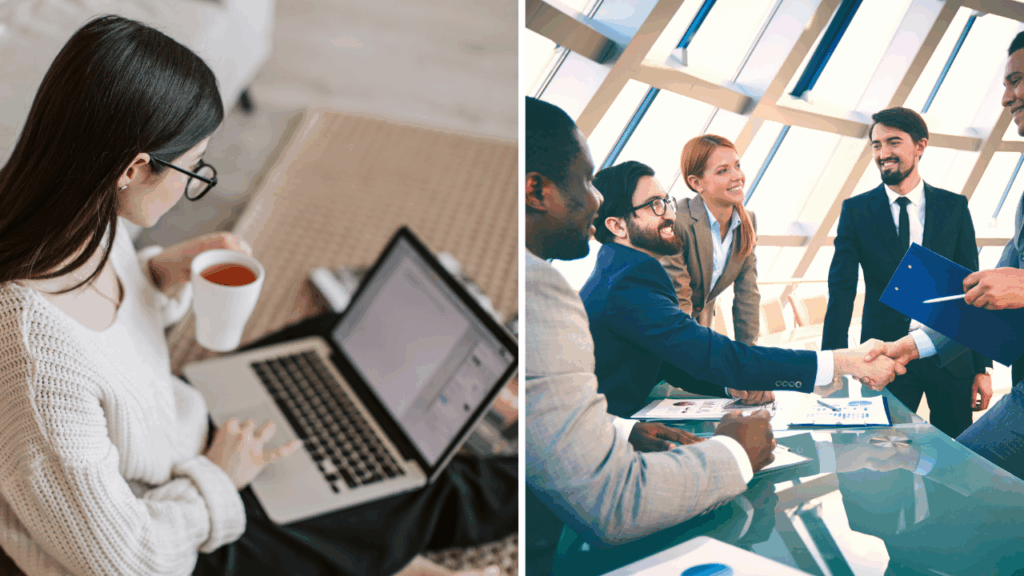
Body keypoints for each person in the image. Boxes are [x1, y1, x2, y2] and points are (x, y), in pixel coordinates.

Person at [0, 16, 513, 576]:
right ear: (134, 168)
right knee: (424, 488)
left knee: (329, 345)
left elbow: (101, 325)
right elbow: (129, 561)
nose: (192, 187)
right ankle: (529, 462)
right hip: (177, 530)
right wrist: (220, 476)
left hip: (177, 431)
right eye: (193, 170)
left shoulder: (69, 214)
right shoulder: (38, 370)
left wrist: (158, 277)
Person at [524, 96, 777, 575]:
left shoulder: (600, 271)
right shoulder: (549, 288)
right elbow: (613, 505)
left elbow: (534, 405)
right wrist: (734, 452)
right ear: (536, 190)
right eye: (584, 180)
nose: (594, 199)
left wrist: (623, 430)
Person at [580, 160, 902, 419]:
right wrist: (843, 361)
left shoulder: (623, 270)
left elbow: (672, 360)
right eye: (655, 205)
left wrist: (730, 386)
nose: (670, 213)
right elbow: (710, 352)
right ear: (617, 225)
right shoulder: (629, 282)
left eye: (667, 201)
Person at [865, 31, 1024, 480]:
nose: (1006, 97)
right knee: (950, 483)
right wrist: (911, 346)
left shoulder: (954, 206)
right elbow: (981, 294)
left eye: (1016, 81)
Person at [821, 107, 990, 439]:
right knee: (884, 459)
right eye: (876, 144)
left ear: (920, 146)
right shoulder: (856, 211)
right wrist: (833, 364)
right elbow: (841, 289)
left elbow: (972, 287)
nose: (883, 153)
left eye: (893, 142)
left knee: (955, 461)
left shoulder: (953, 207)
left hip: (950, 356)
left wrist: (981, 367)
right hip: (884, 357)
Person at [659, 136, 766, 404]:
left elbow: (747, 296)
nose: (737, 176)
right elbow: (679, 297)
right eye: (723, 170)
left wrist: (748, 363)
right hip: (663, 335)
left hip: (697, 330)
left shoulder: (746, 221)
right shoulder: (678, 219)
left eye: (737, 165)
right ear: (697, 183)